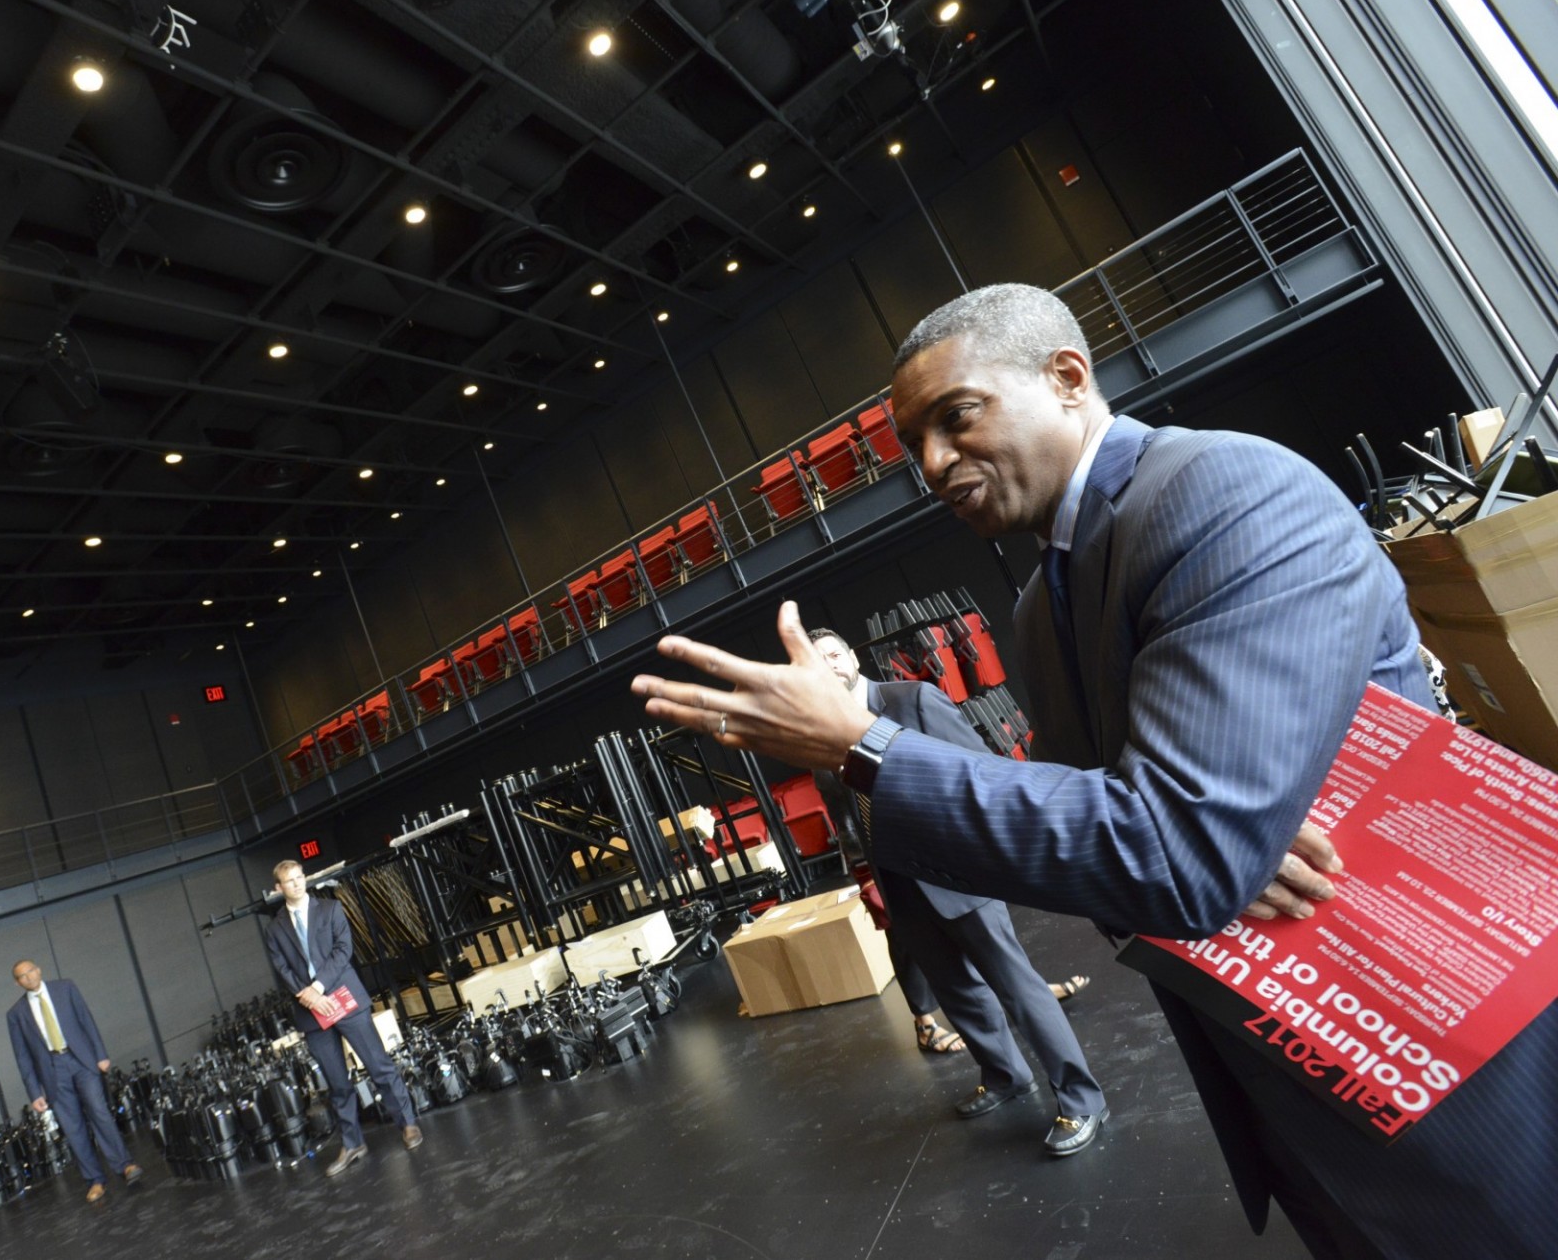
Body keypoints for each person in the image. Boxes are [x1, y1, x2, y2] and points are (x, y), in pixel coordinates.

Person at [630, 283, 1558, 1259]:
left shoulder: (1227, 494)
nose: (933, 463)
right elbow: (1117, 857)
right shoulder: (1040, 607)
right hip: (1291, 1082)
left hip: (1448, 1065)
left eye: (956, 417)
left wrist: (861, 744)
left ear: (1068, 379)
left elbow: (1174, 851)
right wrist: (1194, 835)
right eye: (913, 445)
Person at [806, 626, 1107, 1155]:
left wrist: (982, 857)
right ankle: (1007, 1075)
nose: (827, 666)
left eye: (833, 653)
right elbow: (845, 817)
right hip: (897, 881)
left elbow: (981, 771)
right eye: (815, 661)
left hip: (954, 875)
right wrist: (868, 878)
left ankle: (1083, 1100)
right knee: (957, 992)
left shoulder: (911, 700)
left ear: (850, 656)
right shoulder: (821, 736)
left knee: (1017, 986)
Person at [264, 858, 422, 1175]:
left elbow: (343, 950)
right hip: (311, 1012)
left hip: (343, 997)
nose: (296, 884)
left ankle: (408, 1124)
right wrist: (308, 996)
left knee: (378, 1065)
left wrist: (318, 987)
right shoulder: (275, 928)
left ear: (304, 878)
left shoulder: (330, 909)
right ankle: (353, 1144)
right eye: (289, 881)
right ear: (279, 889)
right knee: (337, 1083)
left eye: (299, 878)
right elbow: (281, 968)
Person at [5, 959, 142, 1202]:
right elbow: (22, 1056)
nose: (28, 977)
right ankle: (95, 1181)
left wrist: (100, 1054)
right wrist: (34, 1092)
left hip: (81, 1060)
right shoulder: (16, 1014)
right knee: (73, 1127)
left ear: (38, 970)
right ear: (18, 983)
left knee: (99, 1111)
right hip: (53, 1070)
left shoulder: (65, 988)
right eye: (22, 976)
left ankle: (125, 1165)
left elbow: (86, 1019)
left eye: (30, 971)